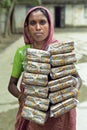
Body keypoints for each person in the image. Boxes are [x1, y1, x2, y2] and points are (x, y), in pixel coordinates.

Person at [8, 6, 82, 130]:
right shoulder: (22, 53)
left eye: (42, 22)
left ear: (50, 25)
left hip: (60, 114)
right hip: (33, 113)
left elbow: (77, 79)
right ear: (27, 27)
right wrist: (21, 97)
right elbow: (11, 85)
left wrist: (72, 92)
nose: (38, 27)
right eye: (33, 23)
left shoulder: (59, 51)